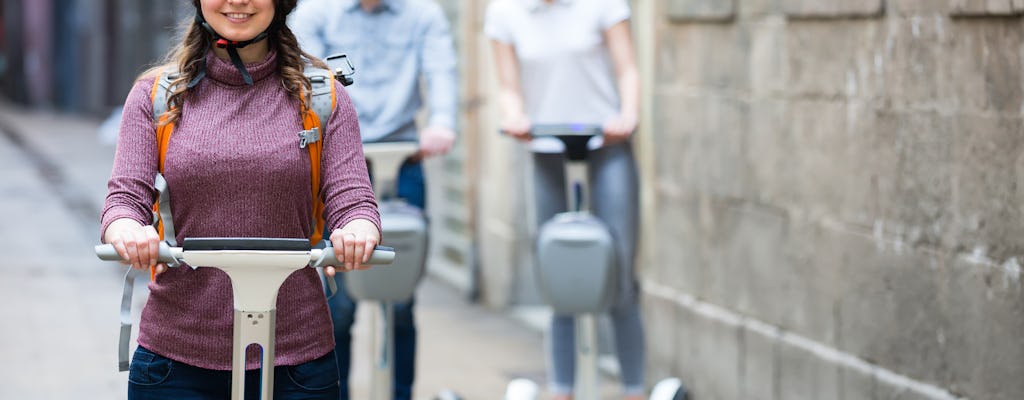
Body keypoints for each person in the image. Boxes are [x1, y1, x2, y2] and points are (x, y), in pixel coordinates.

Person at [100, 0, 381, 398]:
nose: (238, 0)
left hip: (296, 363)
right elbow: (124, 198)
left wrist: (357, 229)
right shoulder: (157, 96)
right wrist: (127, 228)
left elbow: (353, 200)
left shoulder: (322, 96)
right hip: (175, 362)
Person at [289, 1, 458, 399]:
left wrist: (442, 123)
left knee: (398, 296)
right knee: (336, 299)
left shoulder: (423, 14)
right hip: (333, 157)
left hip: (403, 160)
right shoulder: (316, 13)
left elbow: (441, 72)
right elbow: (305, 76)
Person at [484, 0, 646, 399]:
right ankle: (562, 390)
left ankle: (634, 389)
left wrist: (628, 113)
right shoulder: (505, 11)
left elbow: (627, 69)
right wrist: (516, 115)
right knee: (559, 274)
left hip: (608, 147)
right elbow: (509, 86)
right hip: (546, 150)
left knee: (619, 272)